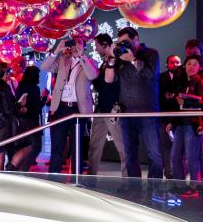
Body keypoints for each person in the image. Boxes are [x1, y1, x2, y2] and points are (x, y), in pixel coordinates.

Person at [41, 36, 98, 174]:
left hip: (78, 109)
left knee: (76, 147)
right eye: (73, 44)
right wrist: (57, 51)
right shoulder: (63, 60)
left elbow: (92, 76)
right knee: (57, 146)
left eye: (78, 44)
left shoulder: (90, 62)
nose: (74, 47)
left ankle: (76, 178)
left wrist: (82, 56)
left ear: (84, 46)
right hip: (61, 107)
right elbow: (44, 67)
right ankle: (54, 179)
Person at [114, 26, 162, 179]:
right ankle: (134, 190)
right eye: (120, 42)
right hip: (126, 113)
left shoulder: (151, 54)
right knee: (129, 154)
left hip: (147, 112)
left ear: (136, 39)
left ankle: (154, 191)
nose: (123, 46)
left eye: (126, 42)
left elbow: (149, 74)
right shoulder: (121, 57)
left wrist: (133, 60)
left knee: (154, 153)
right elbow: (111, 80)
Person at [86, 33, 127, 176]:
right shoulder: (104, 62)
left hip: (113, 110)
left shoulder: (119, 60)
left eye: (96, 46)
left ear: (105, 45)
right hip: (100, 109)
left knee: (123, 148)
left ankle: (128, 183)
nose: (95, 49)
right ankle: (90, 179)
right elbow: (100, 85)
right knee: (94, 146)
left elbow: (111, 84)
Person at [169, 55, 203, 193]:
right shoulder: (182, 82)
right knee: (175, 156)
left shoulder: (201, 82)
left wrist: (186, 102)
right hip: (180, 124)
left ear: (200, 67)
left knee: (192, 157)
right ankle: (179, 185)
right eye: (189, 64)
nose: (191, 67)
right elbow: (177, 105)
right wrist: (172, 122)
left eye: (195, 64)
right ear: (185, 66)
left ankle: (194, 186)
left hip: (193, 124)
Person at [10, 64, 43, 172]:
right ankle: (22, 170)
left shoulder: (21, 86)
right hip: (31, 122)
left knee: (24, 147)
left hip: (20, 122)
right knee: (35, 147)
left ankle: (14, 167)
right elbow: (36, 108)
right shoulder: (35, 88)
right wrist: (45, 98)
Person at [158, 54, 183, 178]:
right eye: (172, 62)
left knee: (179, 147)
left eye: (178, 62)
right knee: (166, 145)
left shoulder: (184, 77)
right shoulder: (161, 77)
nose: (176, 64)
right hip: (163, 116)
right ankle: (168, 172)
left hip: (179, 118)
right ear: (167, 64)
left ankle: (179, 174)